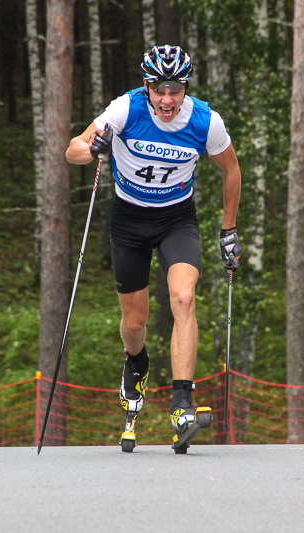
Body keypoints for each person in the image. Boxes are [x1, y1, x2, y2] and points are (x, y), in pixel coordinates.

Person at [65, 45, 242, 449]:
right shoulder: (125, 110)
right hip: (129, 221)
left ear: (186, 88)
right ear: (146, 86)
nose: (166, 100)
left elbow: (231, 169)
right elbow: (72, 149)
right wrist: (92, 149)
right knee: (135, 323)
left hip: (176, 220)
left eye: (175, 90)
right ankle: (136, 363)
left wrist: (228, 229)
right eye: (159, 89)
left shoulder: (205, 122)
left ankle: (182, 403)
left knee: (184, 297)